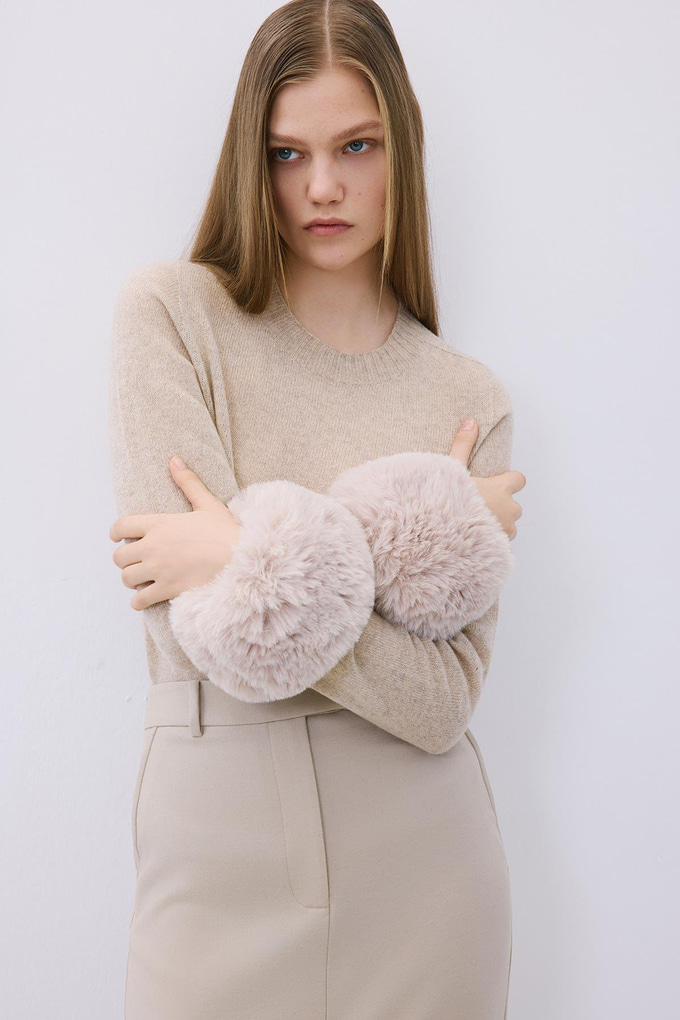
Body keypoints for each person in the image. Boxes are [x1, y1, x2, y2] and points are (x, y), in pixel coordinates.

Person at [107, 1, 526, 1017]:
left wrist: (244, 553)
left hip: (424, 864)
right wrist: (415, 527)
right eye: (288, 153)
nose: (323, 186)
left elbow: (440, 706)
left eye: (356, 145)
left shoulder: (464, 398)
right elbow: (188, 621)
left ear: (401, 150)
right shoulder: (171, 317)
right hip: (216, 848)